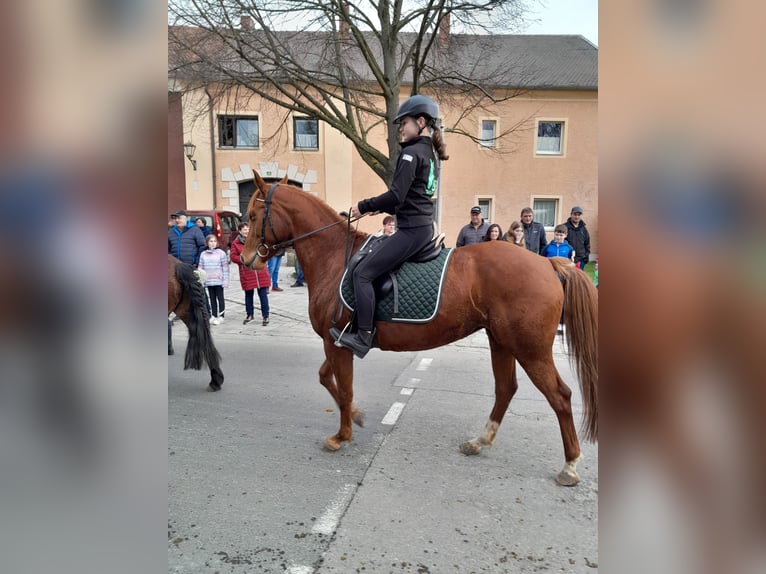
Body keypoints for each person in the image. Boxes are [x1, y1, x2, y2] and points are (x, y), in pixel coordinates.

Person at [334, 94, 449, 358]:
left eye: (404, 123)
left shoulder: (410, 154)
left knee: (362, 273)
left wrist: (362, 205)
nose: (400, 128)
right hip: (421, 226)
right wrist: (380, 207)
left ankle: (363, 336)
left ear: (421, 122)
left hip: (412, 231)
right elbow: (411, 196)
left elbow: (397, 195)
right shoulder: (428, 152)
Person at [230, 222, 271, 326]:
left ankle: (265, 316)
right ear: (240, 231)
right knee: (248, 295)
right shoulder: (236, 243)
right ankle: (250, 315)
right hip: (247, 272)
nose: (246, 231)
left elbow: (265, 251)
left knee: (263, 295)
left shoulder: (257, 240)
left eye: (248, 229)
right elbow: (233, 256)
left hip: (260, 271)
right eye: (244, 229)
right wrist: (244, 260)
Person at [197, 234, 229, 324]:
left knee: (220, 298)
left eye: (214, 241)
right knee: (212, 298)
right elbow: (200, 268)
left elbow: (225, 268)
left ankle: (221, 316)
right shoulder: (203, 254)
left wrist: (225, 280)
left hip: (219, 280)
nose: (213, 243)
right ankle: (214, 315)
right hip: (209, 281)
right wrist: (201, 281)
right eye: (211, 241)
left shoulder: (221, 253)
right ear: (207, 243)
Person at [564, 206, 591, 270]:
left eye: (579, 215)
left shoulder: (583, 229)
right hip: (568, 259)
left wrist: (586, 256)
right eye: (575, 214)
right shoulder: (565, 227)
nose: (577, 217)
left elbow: (587, 243)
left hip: (581, 260)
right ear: (571, 214)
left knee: (578, 279)